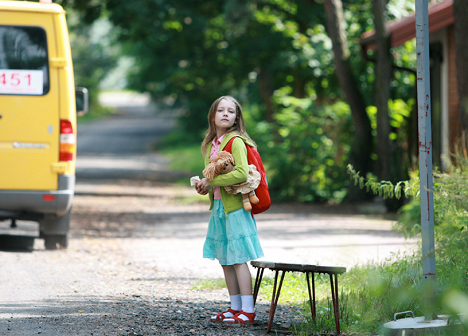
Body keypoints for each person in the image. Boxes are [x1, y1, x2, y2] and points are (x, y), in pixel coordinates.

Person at [195, 96, 264, 324]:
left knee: (238, 258)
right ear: (212, 115)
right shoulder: (210, 144)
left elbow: (242, 174)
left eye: (231, 111)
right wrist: (204, 186)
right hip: (218, 209)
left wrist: (212, 182)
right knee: (225, 259)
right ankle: (235, 308)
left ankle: (248, 309)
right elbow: (213, 176)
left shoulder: (236, 141)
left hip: (235, 209)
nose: (226, 114)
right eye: (221, 110)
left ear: (237, 118)